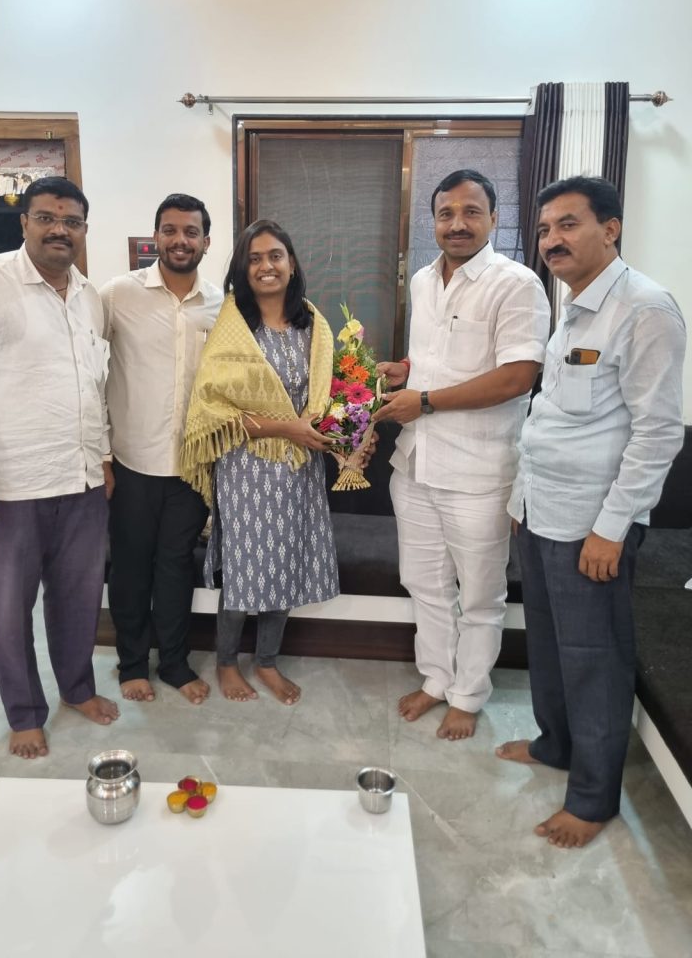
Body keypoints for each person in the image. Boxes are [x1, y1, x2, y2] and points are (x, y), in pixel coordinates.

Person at [496, 175, 686, 848]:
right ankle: (556, 745)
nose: (552, 239)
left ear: (611, 229)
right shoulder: (575, 306)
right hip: (542, 511)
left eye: (568, 224)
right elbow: (552, 416)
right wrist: (520, 499)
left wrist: (612, 528)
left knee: (594, 658)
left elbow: (658, 433)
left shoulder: (645, 308)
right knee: (550, 646)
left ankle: (593, 798)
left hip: (591, 525)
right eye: (545, 228)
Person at [0, 176, 118, 759]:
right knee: (10, 609)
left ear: (84, 230)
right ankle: (24, 713)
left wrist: (103, 457)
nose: (60, 230)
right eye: (46, 218)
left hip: (81, 481)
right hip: (7, 486)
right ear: (24, 223)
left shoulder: (90, 296)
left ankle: (77, 690)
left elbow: (93, 386)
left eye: (71, 222)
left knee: (78, 600)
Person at [376, 169, 550, 740]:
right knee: (424, 584)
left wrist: (424, 400)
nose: (457, 223)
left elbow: (518, 376)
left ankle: (469, 695)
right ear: (434, 221)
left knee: (479, 595)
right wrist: (406, 372)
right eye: (446, 213)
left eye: (471, 212)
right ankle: (436, 679)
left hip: (479, 473)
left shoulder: (517, 284)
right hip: (416, 464)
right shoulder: (424, 280)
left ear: (494, 218)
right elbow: (440, 357)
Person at [179, 218, 339, 705]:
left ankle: (267, 661)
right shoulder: (233, 327)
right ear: (242, 269)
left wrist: (338, 431)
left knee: (285, 562)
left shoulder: (313, 324)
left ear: (291, 264)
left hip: (300, 467)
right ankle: (227, 662)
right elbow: (214, 410)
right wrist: (287, 429)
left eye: (275, 256)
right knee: (246, 565)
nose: (266, 266)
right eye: (254, 259)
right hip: (247, 467)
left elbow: (324, 396)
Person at [100, 194, 223, 704]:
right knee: (130, 567)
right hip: (131, 462)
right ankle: (132, 664)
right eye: (170, 230)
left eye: (191, 232)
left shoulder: (220, 304)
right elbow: (86, 372)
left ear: (206, 242)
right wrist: (101, 455)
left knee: (176, 567)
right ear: (156, 237)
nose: (180, 240)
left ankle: (174, 662)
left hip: (192, 467)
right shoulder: (117, 294)